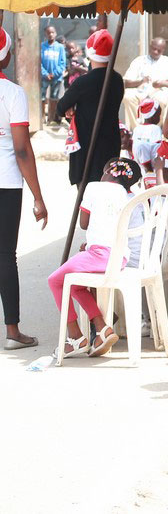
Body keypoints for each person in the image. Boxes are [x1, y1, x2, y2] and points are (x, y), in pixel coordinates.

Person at [47, 158, 140, 357]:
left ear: (106, 171)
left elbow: (84, 223)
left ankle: (75, 338)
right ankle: (102, 328)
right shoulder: (125, 194)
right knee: (76, 286)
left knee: (55, 280)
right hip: (119, 257)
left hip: (98, 254)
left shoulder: (93, 187)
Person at [0, 28, 47, 349]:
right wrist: (38, 197)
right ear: (6, 55)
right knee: (5, 255)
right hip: (6, 183)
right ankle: (13, 332)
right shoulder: (13, 94)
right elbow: (21, 150)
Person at [57, 29, 124, 185]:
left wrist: (71, 107)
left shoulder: (83, 82)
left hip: (87, 148)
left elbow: (60, 108)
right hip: (110, 144)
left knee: (87, 198)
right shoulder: (117, 80)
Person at [122, 37, 168, 129]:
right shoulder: (139, 61)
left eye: (159, 50)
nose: (155, 52)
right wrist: (140, 81)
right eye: (154, 49)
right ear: (150, 47)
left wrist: (162, 83)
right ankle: (138, 130)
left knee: (160, 99)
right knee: (128, 96)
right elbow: (125, 82)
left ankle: (156, 130)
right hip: (140, 91)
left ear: (163, 50)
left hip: (159, 92)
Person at [40, 24, 66, 125]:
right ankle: (42, 117)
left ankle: (51, 118)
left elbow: (62, 63)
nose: (50, 34)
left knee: (54, 98)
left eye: (52, 32)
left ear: (55, 34)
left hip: (56, 77)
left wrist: (54, 74)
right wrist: (45, 73)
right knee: (42, 97)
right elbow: (39, 62)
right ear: (45, 34)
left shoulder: (60, 47)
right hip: (44, 77)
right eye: (48, 33)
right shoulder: (42, 46)